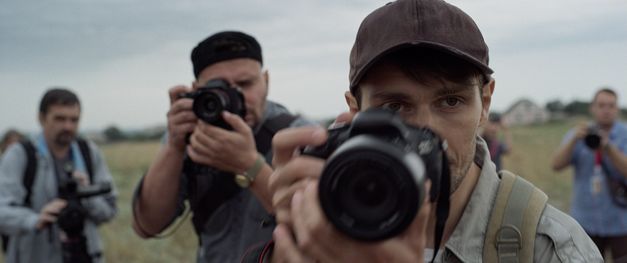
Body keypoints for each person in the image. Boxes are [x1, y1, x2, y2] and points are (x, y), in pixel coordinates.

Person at [256, 0, 603, 262]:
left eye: (450, 101)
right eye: (394, 107)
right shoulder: (320, 231)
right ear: (354, 110)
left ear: (484, 102)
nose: (426, 129)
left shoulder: (548, 246)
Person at [131, 31, 314, 262]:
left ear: (265, 81)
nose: (236, 95)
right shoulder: (189, 135)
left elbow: (317, 224)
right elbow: (147, 225)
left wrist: (249, 165)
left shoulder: (297, 134)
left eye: (245, 84)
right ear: (196, 89)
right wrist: (175, 147)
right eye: (219, 88)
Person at [0, 88, 117, 263]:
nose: (68, 126)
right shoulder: (21, 155)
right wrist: (35, 220)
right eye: (60, 119)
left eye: (74, 120)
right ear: (41, 118)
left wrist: (87, 194)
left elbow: (109, 211)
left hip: (84, 254)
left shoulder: (89, 153)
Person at [552, 87, 627, 262]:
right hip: (585, 221)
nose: (606, 110)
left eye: (611, 105)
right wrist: (573, 140)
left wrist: (608, 147)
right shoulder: (578, 134)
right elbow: (556, 165)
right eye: (601, 105)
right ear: (592, 108)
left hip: (621, 221)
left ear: (617, 108)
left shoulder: (624, 135)